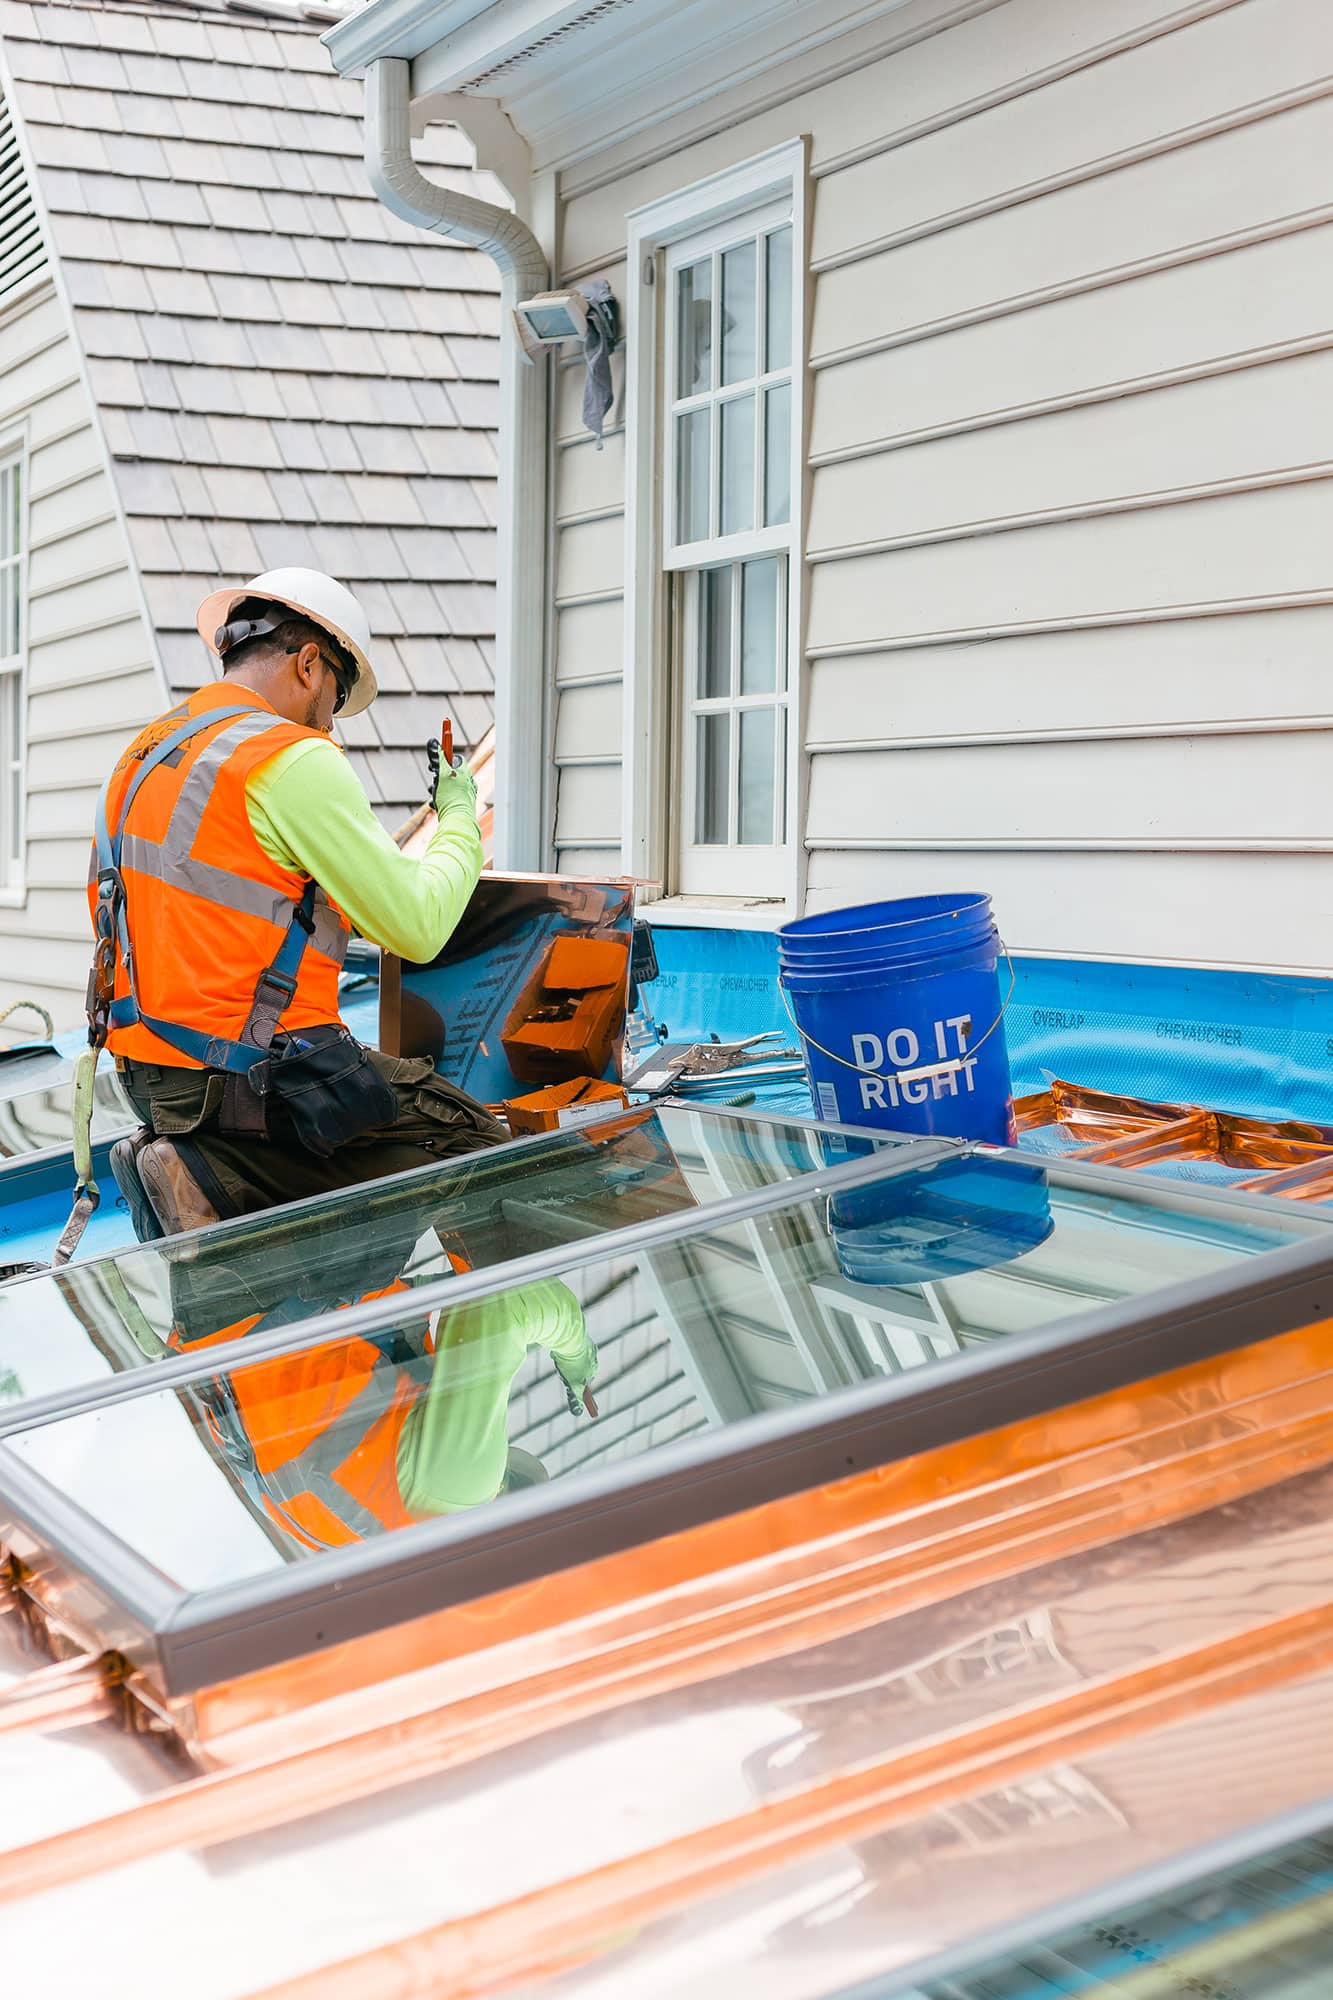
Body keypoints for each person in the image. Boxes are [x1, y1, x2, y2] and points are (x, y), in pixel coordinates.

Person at [89, 566, 507, 1239]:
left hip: (149, 1075)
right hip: (245, 1080)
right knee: (473, 1143)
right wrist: (458, 813)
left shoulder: (147, 752)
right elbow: (418, 928)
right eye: (336, 700)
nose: (331, 726)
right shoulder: (286, 757)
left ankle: (209, 1177)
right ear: (310, 664)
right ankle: (213, 1175)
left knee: (369, 1125)